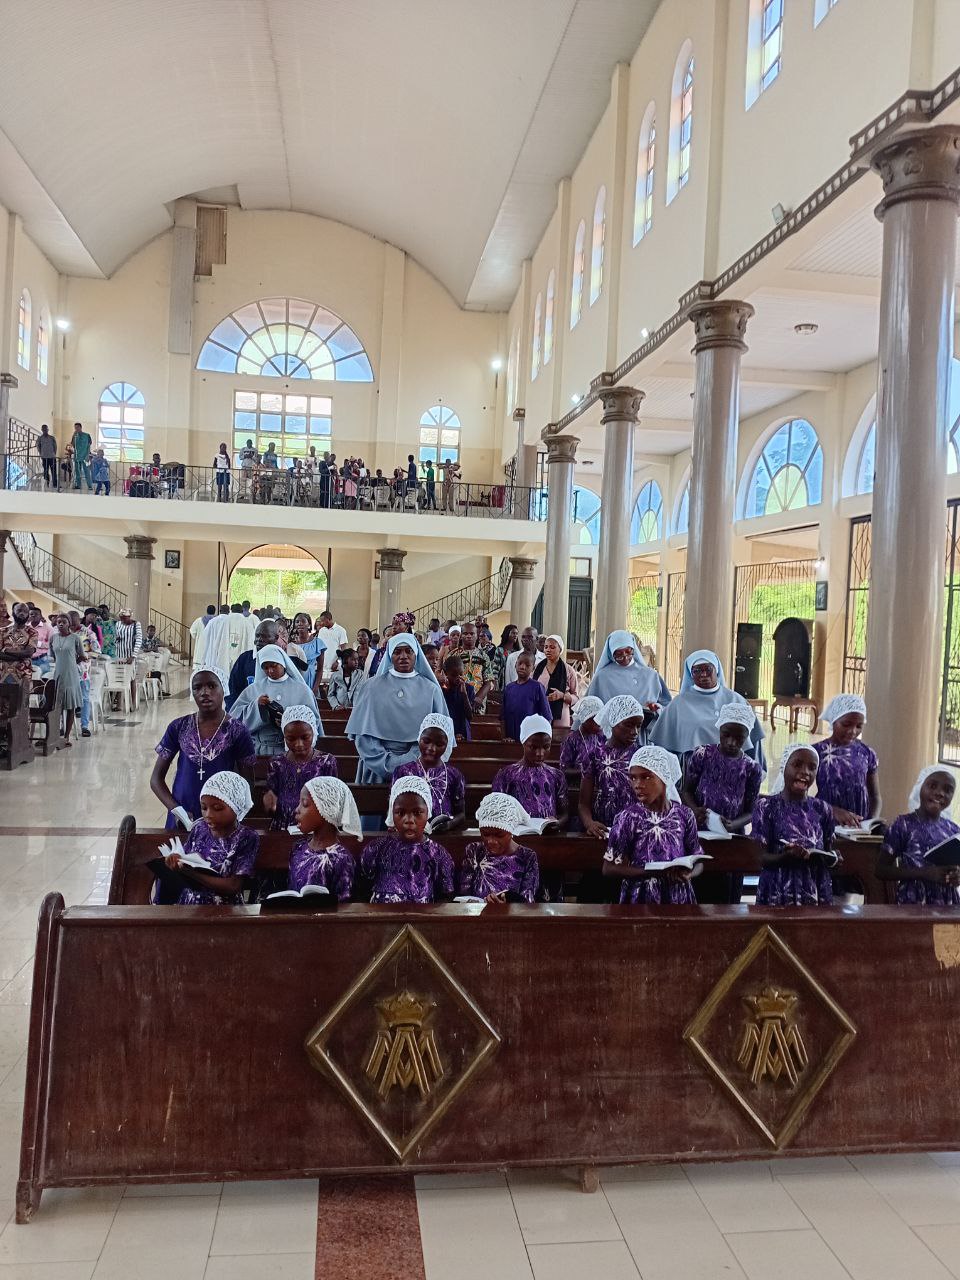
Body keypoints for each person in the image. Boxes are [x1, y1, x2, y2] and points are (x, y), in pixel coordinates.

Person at [151, 667, 256, 829]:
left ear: (224, 689)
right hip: (182, 818)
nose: (204, 692)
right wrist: (176, 810)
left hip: (221, 821)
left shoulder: (237, 730)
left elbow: (247, 781)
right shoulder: (179, 727)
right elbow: (156, 779)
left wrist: (232, 814)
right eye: (197, 687)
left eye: (212, 686)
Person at [603, 746, 702, 905]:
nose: (637, 785)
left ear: (664, 777)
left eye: (646, 777)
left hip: (678, 897)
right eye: (633, 778)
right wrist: (652, 871)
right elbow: (609, 868)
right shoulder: (627, 818)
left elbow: (698, 859)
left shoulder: (684, 815)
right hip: (640, 898)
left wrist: (689, 874)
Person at [346, 633, 447, 783]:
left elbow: (441, 736)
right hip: (376, 770)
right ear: (389, 655)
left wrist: (411, 761)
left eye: (408, 651)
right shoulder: (371, 687)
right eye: (397, 651)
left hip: (419, 771)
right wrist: (385, 764)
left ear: (416, 654)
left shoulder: (431, 690)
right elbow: (363, 737)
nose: (403, 656)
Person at [158, 772, 260, 906]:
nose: (208, 815)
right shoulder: (199, 828)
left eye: (217, 808)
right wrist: (175, 860)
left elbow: (233, 885)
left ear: (236, 807)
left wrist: (191, 874)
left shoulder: (246, 837)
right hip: (189, 905)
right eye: (204, 808)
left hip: (225, 911)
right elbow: (185, 859)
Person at [650, 649, 765, 767]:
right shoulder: (678, 705)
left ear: (717, 669)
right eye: (697, 671)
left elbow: (754, 745)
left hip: (733, 770)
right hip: (693, 773)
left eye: (708, 669)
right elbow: (664, 749)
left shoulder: (737, 700)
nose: (703, 675)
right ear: (691, 674)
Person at [752, 743, 835, 907]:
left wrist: (834, 858)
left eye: (812, 767)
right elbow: (759, 857)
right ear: (784, 767)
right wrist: (786, 857)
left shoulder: (822, 809)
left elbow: (827, 850)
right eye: (797, 765)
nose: (805, 772)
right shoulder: (766, 807)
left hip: (815, 889)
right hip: (778, 891)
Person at [359, 777, 455, 902]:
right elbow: (362, 888)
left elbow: (445, 897)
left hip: (423, 919)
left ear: (428, 813)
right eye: (400, 812)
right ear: (392, 813)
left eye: (417, 812)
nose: (409, 820)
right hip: (381, 918)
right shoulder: (376, 848)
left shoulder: (438, 854)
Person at [878, 766, 960, 905]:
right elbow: (881, 870)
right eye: (933, 786)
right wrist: (924, 873)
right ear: (920, 787)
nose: (940, 793)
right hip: (912, 903)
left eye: (947, 790)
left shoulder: (953, 830)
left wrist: (956, 877)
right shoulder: (902, 824)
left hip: (948, 905)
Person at [682, 703, 763, 834]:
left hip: (731, 835)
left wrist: (733, 824)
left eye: (739, 738)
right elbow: (686, 791)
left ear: (747, 736)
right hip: (698, 829)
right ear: (719, 729)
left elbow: (750, 811)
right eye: (726, 735)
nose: (731, 742)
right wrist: (695, 810)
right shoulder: (702, 755)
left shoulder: (751, 768)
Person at [231, 645, 321, 755]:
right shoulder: (253, 689)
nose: (270, 671)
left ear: (282, 663)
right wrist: (256, 707)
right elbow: (234, 719)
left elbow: (313, 721)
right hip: (260, 750)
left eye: (274, 666)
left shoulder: (302, 690)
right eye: (265, 667)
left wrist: (288, 720)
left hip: (292, 752)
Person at [578, 696, 646, 837]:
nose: (635, 732)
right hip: (604, 828)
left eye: (638, 726)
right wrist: (589, 823)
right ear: (613, 722)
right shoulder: (595, 755)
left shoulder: (642, 755)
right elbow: (583, 803)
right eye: (628, 725)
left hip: (637, 828)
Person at [263, 705, 337, 831]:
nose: (298, 744)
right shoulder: (276, 763)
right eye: (291, 739)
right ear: (284, 736)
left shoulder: (326, 762)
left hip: (314, 831)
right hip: (281, 829)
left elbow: (332, 805)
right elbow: (271, 806)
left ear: (313, 732)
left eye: (305, 737)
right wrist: (269, 804)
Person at [458, 793, 541, 904]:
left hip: (513, 918)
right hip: (476, 916)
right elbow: (464, 893)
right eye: (485, 834)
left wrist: (505, 907)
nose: (491, 841)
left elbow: (528, 900)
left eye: (499, 835)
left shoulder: (527, 856)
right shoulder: (474, 850)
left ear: (511, 832)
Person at [813, 694, 881, 827]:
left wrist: (871, 822)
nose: (852, 731)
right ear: (834, 720)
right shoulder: (816, 752)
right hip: (825, 824)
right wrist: (832, 811)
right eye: (846, 724)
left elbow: (876, 796)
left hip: (859, 828)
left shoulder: (867, 753)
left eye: (859, 726)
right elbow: (800, 797)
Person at [288, 777, 360, 901]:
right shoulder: (298, 848)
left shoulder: (341, 859)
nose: (297, 810)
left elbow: (343, 905)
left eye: (304, 804)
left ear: (326, 810)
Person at [392, 713, 466, 832]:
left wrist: (449, 824)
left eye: (439, 744)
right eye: (426, 741)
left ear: (447, 746)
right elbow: (393, 810)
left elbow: (461, 814)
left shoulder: (454, 775)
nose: (431, 748)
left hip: (444, 836)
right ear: (419, 739)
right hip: (409, 834)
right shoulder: (402, 771)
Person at [586, 630, 671, 734]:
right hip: (612, 737)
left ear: (633, 649)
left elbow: (667, 706)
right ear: (611, 653)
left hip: (642, 735)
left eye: (628, 651)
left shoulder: (651, 675)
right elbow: (589, 708)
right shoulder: (602, 677)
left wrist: (657, 708)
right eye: (619, 654)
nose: (625, 657)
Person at [492, 714, 567, 825]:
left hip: (548, 837)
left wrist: (558, 822)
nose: (540, 754)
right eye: (533, 747)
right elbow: (496, 812)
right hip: (517, 836)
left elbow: (564, 814)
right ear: (523, 743)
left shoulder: (556, 776)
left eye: (546, 747)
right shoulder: (506, 775)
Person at [500, 652, 552, 741]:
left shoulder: (537, 687)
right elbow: (503, 717)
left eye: (527, 665)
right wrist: (504, 737)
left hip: (531, 739)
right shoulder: (509, 688)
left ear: (533, 668)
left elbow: (547, 717)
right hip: (511, 740)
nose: (522, 667)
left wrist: (540, 738)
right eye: (520, 663)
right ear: (515, 664)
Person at [227, 620, 280, 706]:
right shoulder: (244, 659)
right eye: (257, 636)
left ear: (276, 638)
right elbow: (233, 689)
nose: (259, 640)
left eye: (264, 636)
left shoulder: (281, 661)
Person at [50, 614, 84, 745]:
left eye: (64, 622)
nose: (60, 624)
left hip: (71, 674)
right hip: (58, 673)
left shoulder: (75, 638)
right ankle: (54, 735)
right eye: (58, 622)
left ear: (69, 624)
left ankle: (66, 736)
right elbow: (52, 655)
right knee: (56, 705)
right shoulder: (53, 638)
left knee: (70, 707)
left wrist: (72, 662)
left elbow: (82, 655)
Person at [534, 635, 578, 728]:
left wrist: (562, 696)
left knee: (559, 739)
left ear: (560, 649)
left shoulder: (569, 670)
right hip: (540, 710)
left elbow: (576, 698)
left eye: (552, 647)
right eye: (546, 647)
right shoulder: (537, 668)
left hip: (561, 713)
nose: (548, 650)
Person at [449, 622, 495, 710]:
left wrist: (479, 698)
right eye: (465, 633)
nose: (469, 636)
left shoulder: (483, 656)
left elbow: (488, 682)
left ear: (476, 636)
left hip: (477, 702)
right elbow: (449, 678)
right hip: (457, 699)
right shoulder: (453, 655)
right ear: (461, 636)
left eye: (472, 633)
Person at [71, 609, 101, 736]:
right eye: (69, 622)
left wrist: (84, 656)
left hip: (82, 671)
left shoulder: (87, 633)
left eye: (73, 621)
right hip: (67, 671)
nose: (71, 624)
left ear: (79, 620)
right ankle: (62, 726)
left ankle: (84, 726)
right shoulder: (63, 633)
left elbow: (97, 651)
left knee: (84, 699)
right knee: (64, 699)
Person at [559, 695, 604, 772]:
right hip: (577, 782)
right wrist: (586, 771)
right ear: (585, 718)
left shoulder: (601, 736)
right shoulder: (571, 740)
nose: (599, 723)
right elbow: (564, 769)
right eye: (596, 719)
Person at [0, 601, 36, 686]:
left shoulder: (32, 632)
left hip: (23, 674)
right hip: (3, 674)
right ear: (13, 613)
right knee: (3, 699)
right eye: (19, 610)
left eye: (25, 612)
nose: (22, 613)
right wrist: (20, 656)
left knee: (22, 699)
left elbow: (29, 653)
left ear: (28, 615)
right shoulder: (2, 631)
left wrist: (7, 651)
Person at [441, 652, 474, 740]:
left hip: (463, 731)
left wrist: (464, 694)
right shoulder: (441, 689)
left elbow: (470, 716)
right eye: (454, 675)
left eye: (461, 674)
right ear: (445, 673)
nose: (458, 678)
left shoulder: (468, 688)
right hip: (445, 732)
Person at [194, 604, 232, 673]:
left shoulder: (212, 621)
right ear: (229, 611)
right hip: (226, 651)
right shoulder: (231, 621)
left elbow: (204, 635)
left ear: (219, 611)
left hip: (213, 651)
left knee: (213, 671)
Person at [316, 610, 349, 682]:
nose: (321, 623)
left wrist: (338, 661)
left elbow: (344, 649)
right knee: (322, 688)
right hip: (323, 666)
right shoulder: (321, 631)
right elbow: (319, 647)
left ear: (329, 619)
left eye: (323, 621)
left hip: (335, 666)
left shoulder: (341, 630)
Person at [491, 625, 520, 690]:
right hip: (502, 681)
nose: (515, 635)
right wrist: (495, 680)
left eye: (516, 633)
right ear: (507, 634)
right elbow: (495, 667)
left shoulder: (518, 651)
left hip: (515, 678)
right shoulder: (500, 650)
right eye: (513, 633)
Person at [28, 607, 53, 675]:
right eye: (31, 614)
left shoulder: (48, 628)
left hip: (42, 659)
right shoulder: (25, 627)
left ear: (41, 616)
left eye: (36, 614)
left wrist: (38, 644)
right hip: (28, 660)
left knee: (43, 681)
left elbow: (51, 644)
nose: (33, 616)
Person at [71, 422, 93, 491]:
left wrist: (87, 455)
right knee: (78, 472)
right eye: (75, 428)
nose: (76, 429)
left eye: (77, 427)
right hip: (77, 457)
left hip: (85, 457)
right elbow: (73, 445)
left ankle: (90, 486)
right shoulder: (75, 436)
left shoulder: (87, 435)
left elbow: (89, 446)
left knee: (87, 472)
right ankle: (78, 485)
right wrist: (73, 436)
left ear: (80, 427)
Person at [37, 424, 58, 489]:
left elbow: (55, 447)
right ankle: (47, 484)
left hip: (52, 457)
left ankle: (55, 484)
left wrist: (54, 454)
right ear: (42, 430)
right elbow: (38, 447)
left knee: (54, 471)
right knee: (45, 471)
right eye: (43, 429)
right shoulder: (40, 438)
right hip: (44, 457)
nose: (45, 430)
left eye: (46, 429)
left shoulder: (52, 438)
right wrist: (41, 454)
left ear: (48, 429)